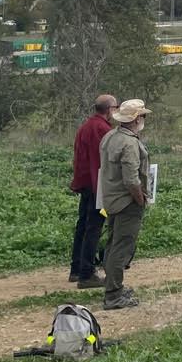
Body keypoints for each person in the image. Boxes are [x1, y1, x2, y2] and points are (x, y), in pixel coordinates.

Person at [98, 99, 151, 311]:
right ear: (137, 119)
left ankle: (114, 287)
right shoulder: (129, 143)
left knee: (113, 244)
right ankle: (113, 296)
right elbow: (131, 179)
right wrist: (140, 199)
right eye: (143, 116)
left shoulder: (110, 136)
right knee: (122, 247)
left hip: (111, 198)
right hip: (127, 201)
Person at [69, 94, 115, 288]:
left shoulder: (85, 126)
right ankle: (87, 273)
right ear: (110, 110)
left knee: (83, 225)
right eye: (116, 107)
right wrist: (104, 190)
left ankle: (77, 268)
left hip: (86, 182)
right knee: (93, 228)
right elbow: (101, 161)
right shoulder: (102, 129)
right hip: (97, 185)